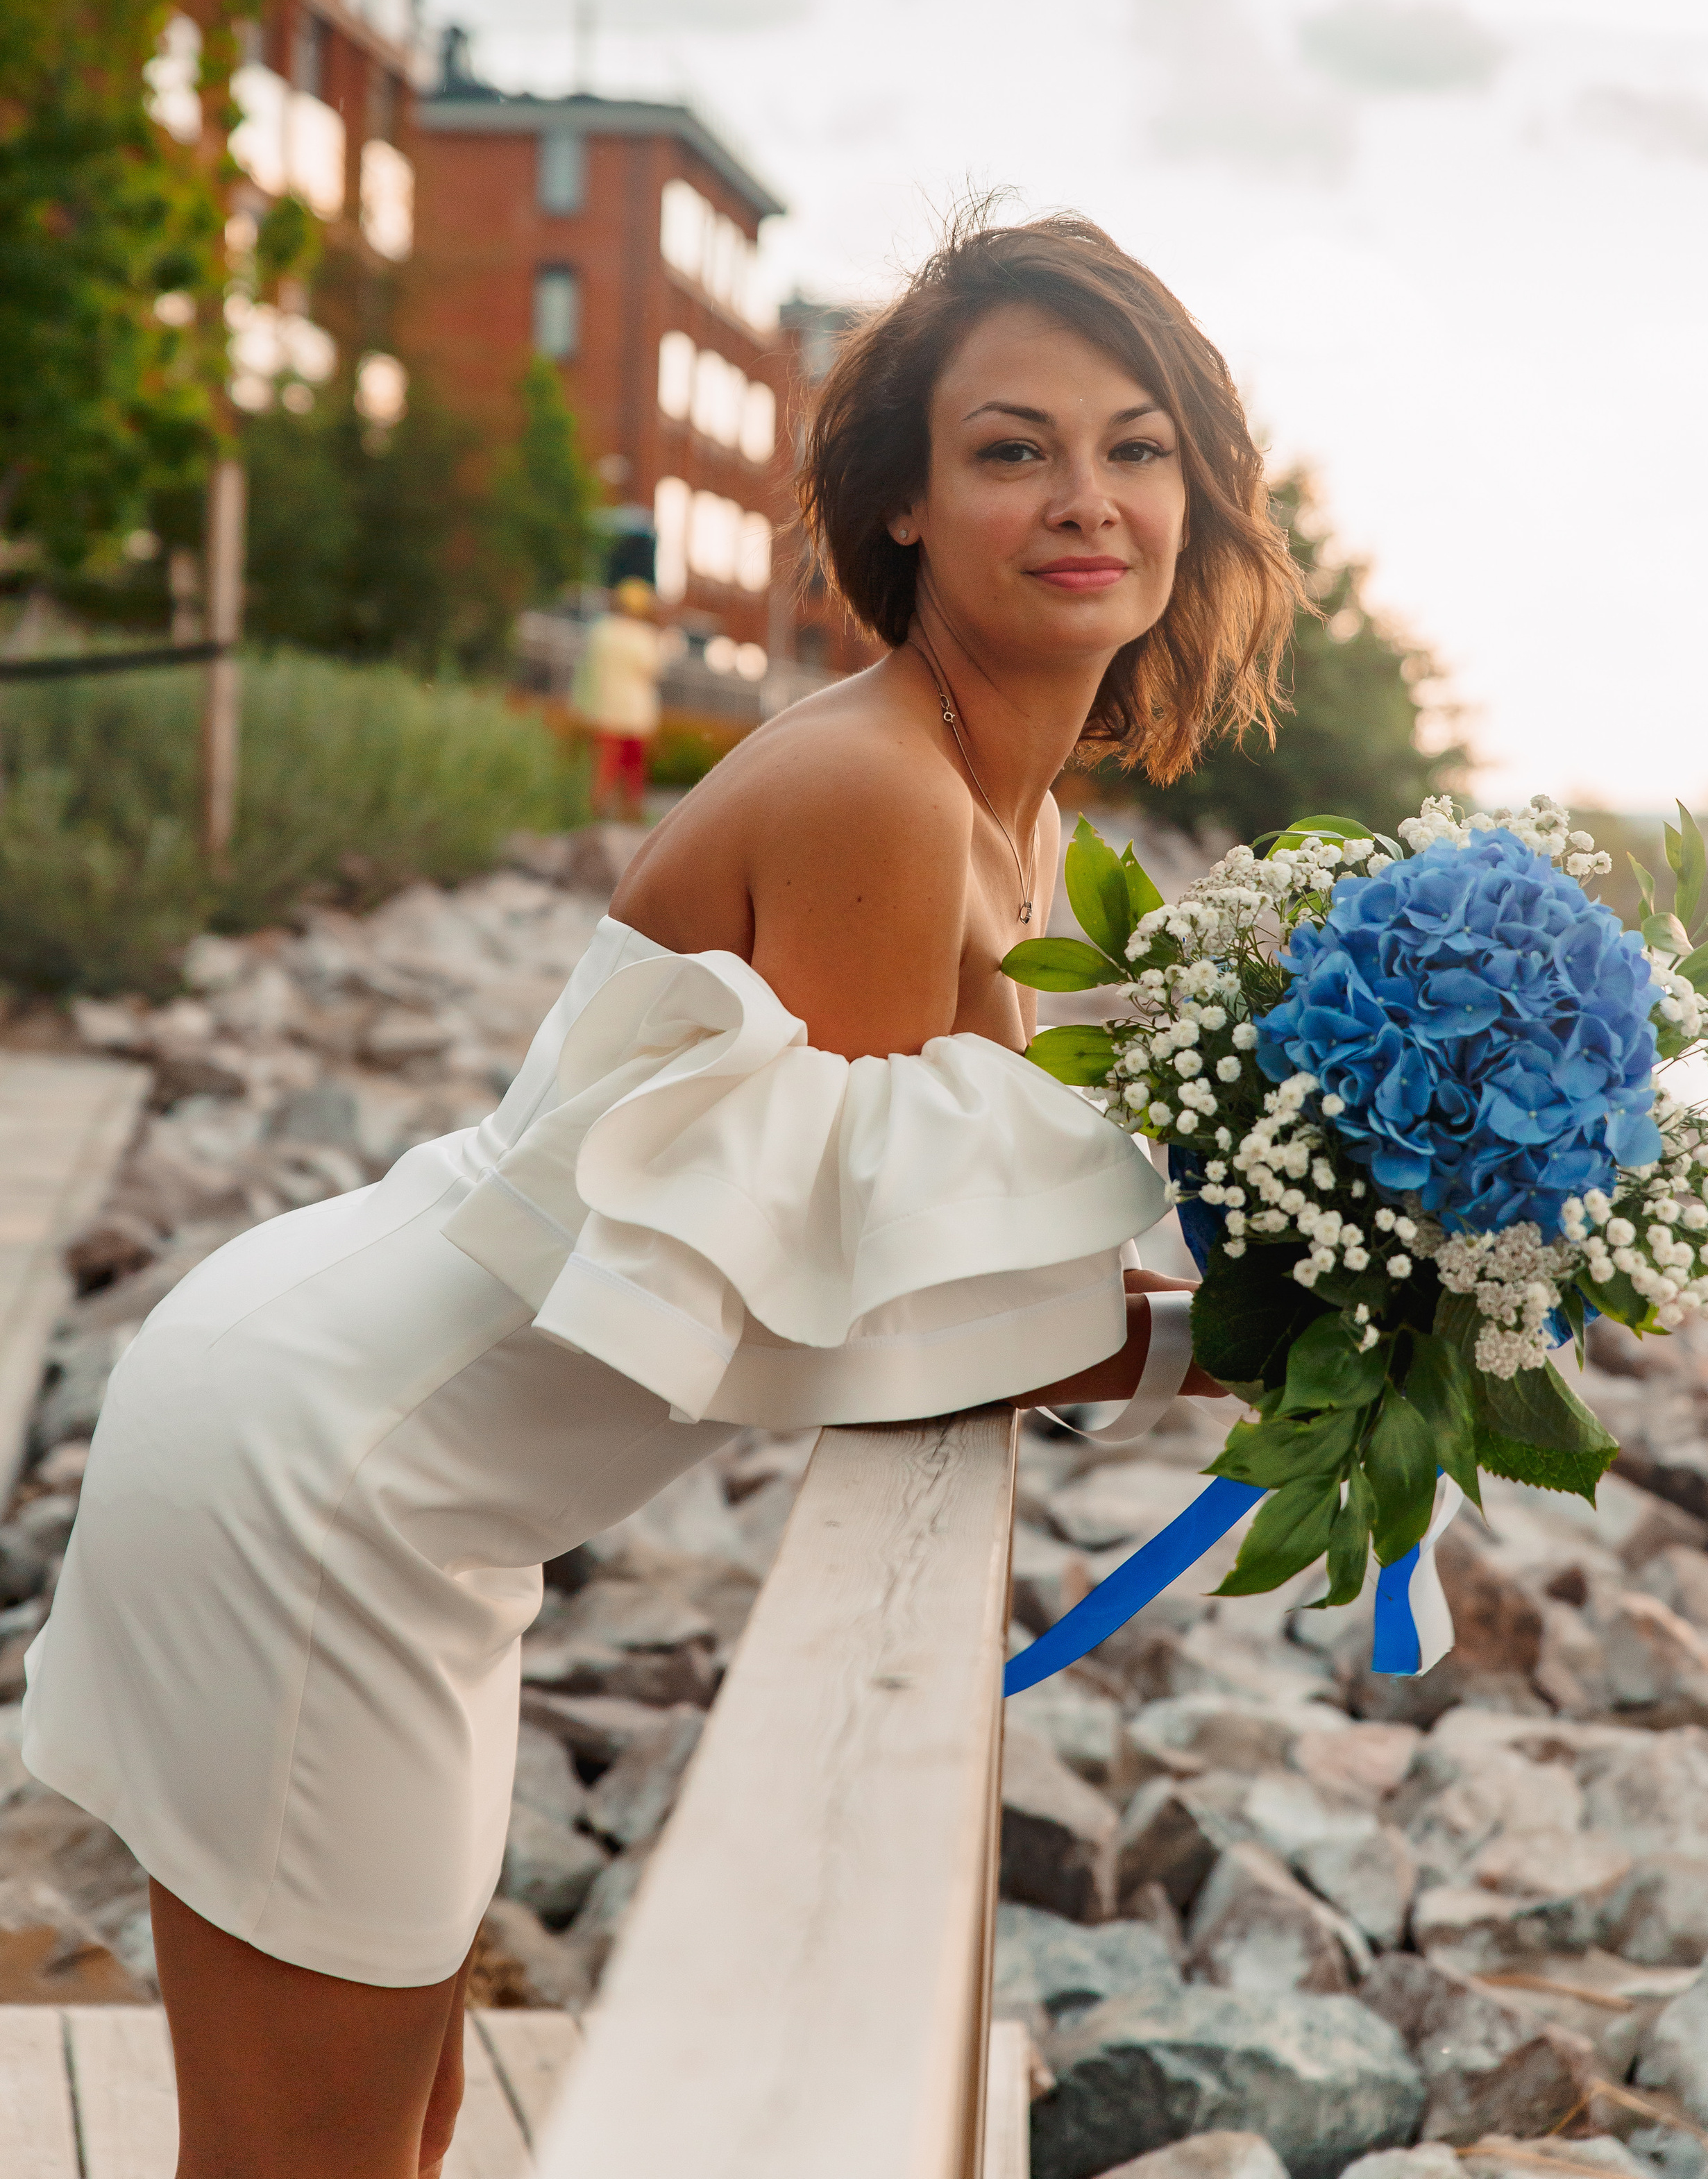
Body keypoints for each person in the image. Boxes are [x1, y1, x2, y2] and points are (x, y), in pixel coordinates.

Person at [20, 210, 1301, 2178]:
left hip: (424, 1498)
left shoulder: (1014, 810)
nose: (1087, 499)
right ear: (904, 511)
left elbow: (897, 1267)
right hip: (326, 1475)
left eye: (1137, 447)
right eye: (1011, 448)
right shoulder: (875, 792)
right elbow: (859, 1322)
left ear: (1197, 496)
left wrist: (1285, 1318)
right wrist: (1245, 1341)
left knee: (402, 2118)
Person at [575, 575, 668, 817]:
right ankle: (630, 816)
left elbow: (587, 669)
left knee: (603, 765)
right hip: (635, 713)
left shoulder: (601, 630)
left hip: (603, 709)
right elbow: (654, 670)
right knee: (633, 769)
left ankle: (593, 811)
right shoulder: (645, 637)